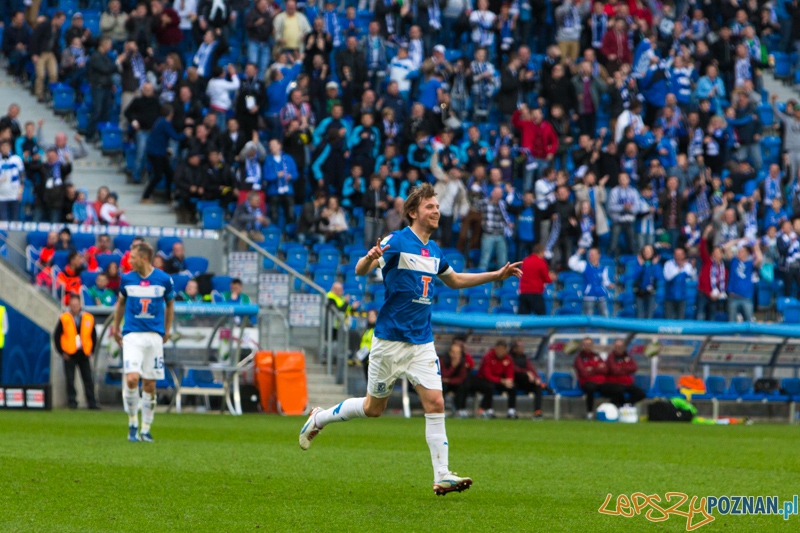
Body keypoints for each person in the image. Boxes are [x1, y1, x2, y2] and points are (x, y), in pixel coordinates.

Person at [298, 182, 522, 496]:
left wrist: (495, 275)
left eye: (437, 206)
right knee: (373, 408)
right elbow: (362, 269)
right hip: (390, 341)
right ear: (414, 212)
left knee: (435, 402)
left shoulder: (434, 250)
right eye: (430, 206)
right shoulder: (397, 240)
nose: (436, 211)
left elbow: (454, 279)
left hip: (421, 341)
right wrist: (370, 257)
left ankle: (442, 474)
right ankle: (319, 417)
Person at [112, 242, 175, 443]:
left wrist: (167, 329)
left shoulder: (164, 280)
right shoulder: (127, 279)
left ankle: (146, 428)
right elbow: (120, 303)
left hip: (154, 336)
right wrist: (116, 327)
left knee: (149, 384)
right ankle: (132, 423)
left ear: (144, 258)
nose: (129, 261)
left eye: (132, 258)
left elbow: (171, 304)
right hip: (132, 335)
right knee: (131, 379)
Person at [53, 294, 99, 409]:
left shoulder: (88, 318)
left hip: (84, 352)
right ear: (69, 306)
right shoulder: (64, 318)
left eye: (76, 305)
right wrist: (61, 351)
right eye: (72, 305)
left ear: (80, 305)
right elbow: (57, 336)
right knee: (70, 379)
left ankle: (91, 402)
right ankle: (72, 401)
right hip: (70, 353)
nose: (75, 307)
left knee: (88, 378)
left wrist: (91, 350)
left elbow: (93, 336)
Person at [573, 337, 624, 420]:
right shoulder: (579, 358)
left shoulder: (596, 356)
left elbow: (605, 369)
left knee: (618, 389)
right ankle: (589, 412)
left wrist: (591, 368)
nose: (588, 346)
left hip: (600, 382)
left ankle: (617, 411)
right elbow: (584, 372)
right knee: (590, 389)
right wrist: (597, 368)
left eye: (589, 344)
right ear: (582, 345)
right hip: (587, 382)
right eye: (586, 344)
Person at [509, 340, 552, 420]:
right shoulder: (509, 357)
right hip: (515, 381)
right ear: (514, 349)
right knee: (512, 386)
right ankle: (511, 412)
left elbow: (531, 369)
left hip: (525, 382)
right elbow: (512, 368)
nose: (523, 348)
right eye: (520, 347)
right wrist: (526, 373)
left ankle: (537, 412)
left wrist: (537, 378)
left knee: (537, 387)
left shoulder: (524, 357)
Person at [474, 340, 517, 419]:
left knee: (512, 386)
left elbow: (510, 372)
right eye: (499, 349)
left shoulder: (508, 358)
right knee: (489, 386)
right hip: (484, 380)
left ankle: (511, 411)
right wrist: (502, 381)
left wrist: (508, 381)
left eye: (502, 349)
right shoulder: (488, 357)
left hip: (499, 381)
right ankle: (488, 410)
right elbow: (487, 375)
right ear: (495, 348)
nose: (500, 351)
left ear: (505, 350)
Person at [568, 247, 614, 317]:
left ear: (598, 256)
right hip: (589, 297)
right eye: (590, 254)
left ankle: (603, 328)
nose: (590, 256)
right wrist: (578, 254)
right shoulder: (584, 265)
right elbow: (571, 264)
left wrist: (609, 285)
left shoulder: (603, 268)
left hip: (601, 296)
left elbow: (605, 281)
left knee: (605, 316)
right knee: (588, 317)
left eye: (592, 254)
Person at [605, 340, 646, 407]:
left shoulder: (628, 356)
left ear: (624, 347)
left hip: (627, 383)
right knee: (618, 391)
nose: (619, 348)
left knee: (641, 394)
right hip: (615, 383)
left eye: (620, 346)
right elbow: (615, 370)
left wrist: (620, 367)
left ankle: (626, 405)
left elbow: (634, 368)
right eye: (617, 346)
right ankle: (621, 407)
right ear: (614, 347)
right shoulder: (611, 357)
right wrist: (626, 368)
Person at [518, 244, 553, 315]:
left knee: (523, 318)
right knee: (541, 317)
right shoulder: (541, 262)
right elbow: (547, 279)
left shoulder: (525, 261)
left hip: (524, 293)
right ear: (541, 252)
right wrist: (552, 277)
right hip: (535, 293)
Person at [663, 247, 696, 320]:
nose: (678, 256)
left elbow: (693, 278)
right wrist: (679, 268)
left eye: (680, 254)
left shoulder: (687, 266)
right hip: (669, 297)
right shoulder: (668, 264)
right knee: (668, 320)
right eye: (676, 254)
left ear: (684, 255)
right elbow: (668, 277)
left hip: (682, 297)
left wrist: (693, 268)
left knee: (680, 320)